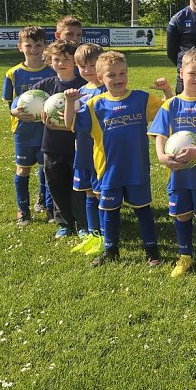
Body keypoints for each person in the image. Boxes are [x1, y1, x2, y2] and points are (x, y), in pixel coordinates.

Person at [66, 51, 173, 267]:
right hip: (108, 171)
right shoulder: (95, 104)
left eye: (122, 73)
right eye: (112, 75)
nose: (118, 79)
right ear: (100, 78)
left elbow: (168, 111)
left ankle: (152, 252)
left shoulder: (141, 99)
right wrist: (70, 103)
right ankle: (111, 250)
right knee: (109, 212)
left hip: (136, 169)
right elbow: (71, 125)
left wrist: (166, 91)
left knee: (143, 210)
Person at [149, 49, 196, 280]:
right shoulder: (170, 105)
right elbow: (160, 133)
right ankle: (184, 256)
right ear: (181, 73)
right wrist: (161, 155)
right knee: (181, 214)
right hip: (178, 173)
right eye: (192, 73)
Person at [31, 40, 87, 238]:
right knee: (56, 185)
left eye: (66, 59)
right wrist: (17, 112)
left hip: (77, 145)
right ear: (49, 61)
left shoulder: (83, 86)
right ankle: (64, 222)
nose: (61, 63)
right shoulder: (45, 86)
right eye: (56, 59)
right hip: (51, 145)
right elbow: (24, 103)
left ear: (75, 62)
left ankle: (82, 223)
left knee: (77, 186)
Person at [3, 26, 56, 226]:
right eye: (29, 45)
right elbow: (10, 104)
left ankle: (49, 208)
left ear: (45, 47)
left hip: (46, 130)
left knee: (48, 168)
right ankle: (23, 210)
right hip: (23, 131)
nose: (34, 49)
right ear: (20, 47)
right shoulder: (13, 73)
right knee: (22, 169)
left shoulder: (51, 70)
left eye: (38, 45)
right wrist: (14, 112)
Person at [68, 43, 107, 257]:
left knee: (101, 194)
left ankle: (105, 234)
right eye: (82, 66)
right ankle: (94, 235)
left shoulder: (108, 89)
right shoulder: (80, 92)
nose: (87, 70)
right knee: (89, 193)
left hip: (101, 152)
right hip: (83, 150)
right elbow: (72, 123)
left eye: (92, 65)